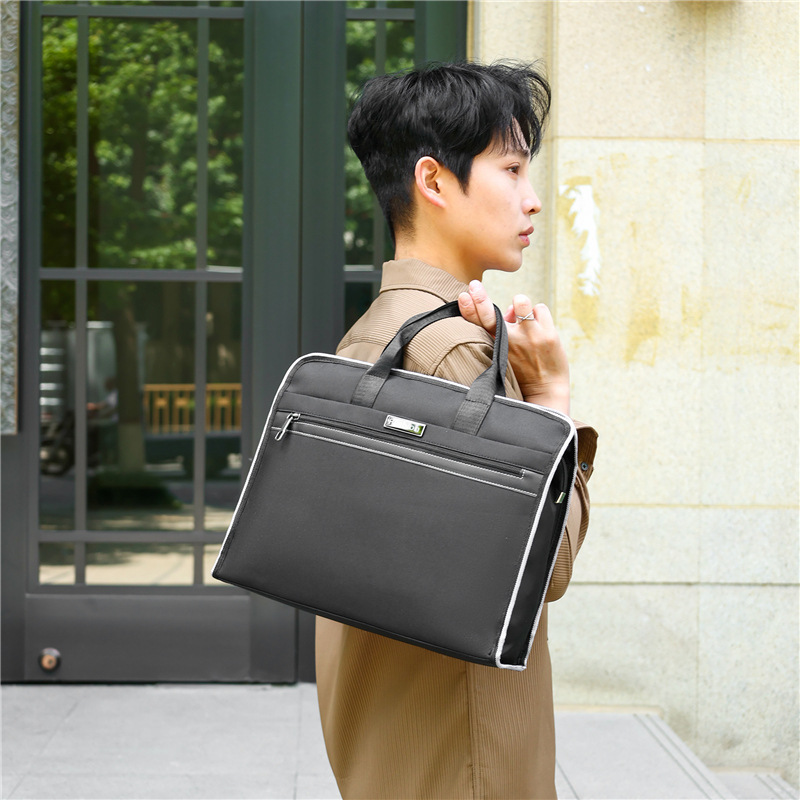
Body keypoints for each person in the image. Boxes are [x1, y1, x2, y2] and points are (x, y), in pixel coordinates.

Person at [316, 61, 598, 799]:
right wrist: (551, 400)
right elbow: (545, 571)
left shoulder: (369, 336)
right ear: (434, 182)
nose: (532, 199)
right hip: (467, 756)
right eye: (512, 169)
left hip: (396, 745)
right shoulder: (455, 355)